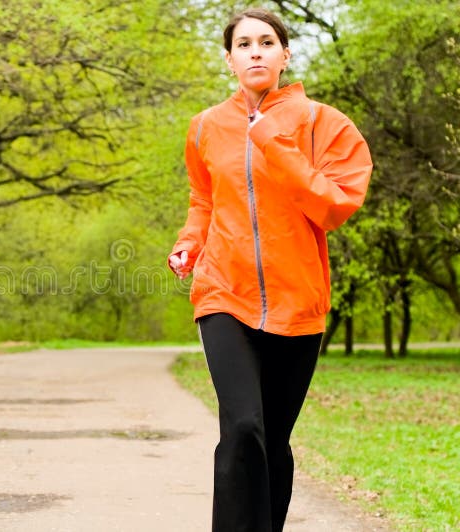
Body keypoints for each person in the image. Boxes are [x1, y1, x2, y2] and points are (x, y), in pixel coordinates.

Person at [167, 7, 372, 532]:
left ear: (285, 54)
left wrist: (272, 142)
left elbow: (334, 206)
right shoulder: (206, 127)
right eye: (243, 45)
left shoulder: (324, 124)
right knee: (242, 428)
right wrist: (190, 243)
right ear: (229, 59)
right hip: (223, 294)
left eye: (265, 42)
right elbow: (203, 201)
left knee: (273, 442)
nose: (254, 51)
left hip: (296, 303)